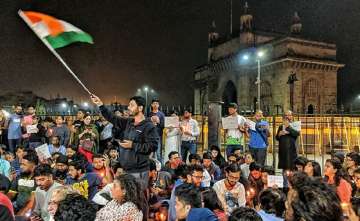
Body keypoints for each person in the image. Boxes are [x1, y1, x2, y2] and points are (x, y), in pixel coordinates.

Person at [91, 94, 158, 190]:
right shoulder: (129, 122)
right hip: (126, 170)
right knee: (127, 199)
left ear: (140, 108)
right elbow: (113, 118)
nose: (128, 107)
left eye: (131, 105)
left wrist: (133, 145)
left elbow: (153, 146)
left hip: (139, 171)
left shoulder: (148, 126)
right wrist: (101, 105)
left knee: (137, 199)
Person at [148, 98, 165, 163]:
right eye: (154, 103)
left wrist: (158, 122)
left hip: (158, 136)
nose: (155, 105)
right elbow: (146, 124)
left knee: (158, 153)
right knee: (150, 152)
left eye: (157, 103)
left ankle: (160, 166)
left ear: (158, 105)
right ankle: (151, 166)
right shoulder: (149, 114)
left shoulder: (161, 114)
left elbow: (163, 126)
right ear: (151, 105)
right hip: (150, 136)